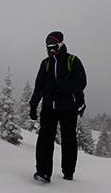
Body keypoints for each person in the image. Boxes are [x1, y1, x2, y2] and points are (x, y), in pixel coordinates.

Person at [29, 31, 87, 183]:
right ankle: (43, 172)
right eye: (48, 47)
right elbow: (38, 86)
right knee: (44, 140)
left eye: (54, 47)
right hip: (49, 107)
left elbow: (81, 83)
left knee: (68, 140)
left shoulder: (73, 61)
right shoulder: (46, 63)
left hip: (68, 109)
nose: (51, 50)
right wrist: (33, 105)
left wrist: (61, 85)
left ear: (61, 45)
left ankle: (68, 172)